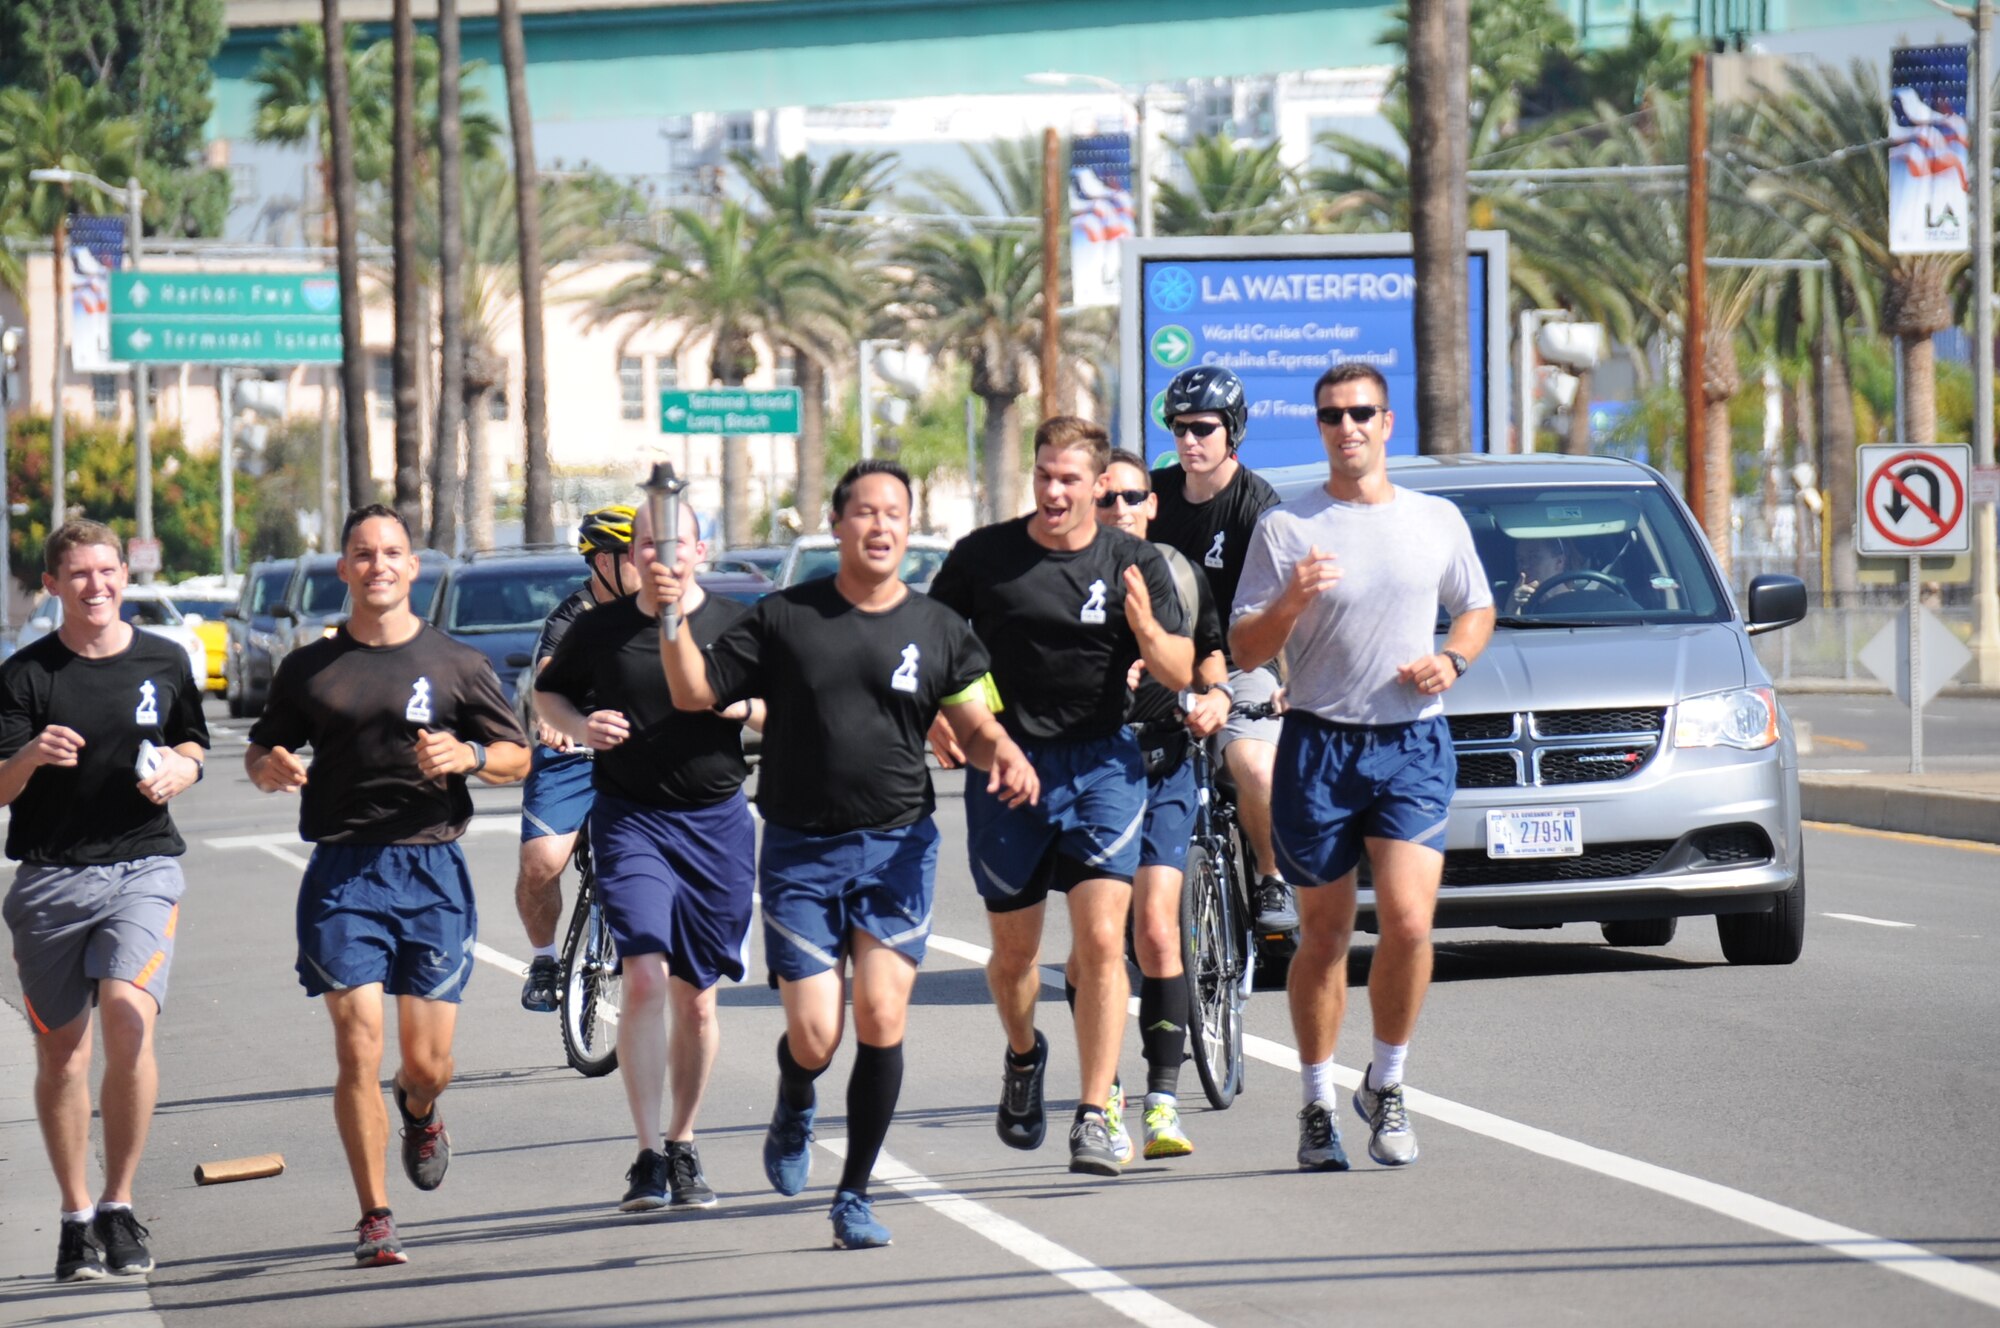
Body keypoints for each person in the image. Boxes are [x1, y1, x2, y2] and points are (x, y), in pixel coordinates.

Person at [655, 459, 1036, 1248]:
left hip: (898, 844)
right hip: (800, 850)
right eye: (865, 512)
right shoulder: (784, 617)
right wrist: (669, 622)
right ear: (838, 524)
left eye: (895, 512)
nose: (881, 525)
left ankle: (854, 1194)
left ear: (908, 525)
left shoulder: (938, 628)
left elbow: (974, 719)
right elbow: (695, 692)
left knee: (882, 1014)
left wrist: (1002, 750)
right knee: (817, 1035)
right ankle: (798, 1092)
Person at [245, 504, 529, 1266]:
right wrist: (267, 765)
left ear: (414, 567)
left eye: (392, 553)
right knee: (356, 1043)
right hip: (343, 871)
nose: (378, 566)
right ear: (344, 569)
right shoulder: (310, 666)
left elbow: (518, 756)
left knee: (428, 1062)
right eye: (363, 554)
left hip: (431, 868)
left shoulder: (457, 663)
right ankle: (375, 1216)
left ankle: (421, 1108)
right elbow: (264, 745)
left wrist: (468, 757)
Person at [1230, 363, 1494, 1173]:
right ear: (1319, 427)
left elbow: (1476, 606)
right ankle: (1316, 1102)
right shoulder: (1286, 528)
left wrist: (1452, 659)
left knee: (1412, 924)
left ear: (1388, 422)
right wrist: (1293, 600)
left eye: (1361, 413)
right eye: (1331, 416)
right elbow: (1245, 648)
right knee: (1326, 935)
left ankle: (1388, 1082)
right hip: (1319, 745)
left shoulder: (1435, 519)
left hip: (1411, 741)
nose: (1346, 427)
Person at [928, 417, 1193, 1178]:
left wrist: (1147, 628)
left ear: (1098, 485)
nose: (1053, 490)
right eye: (1044, 474)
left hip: (1104, 765)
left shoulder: (1134, 562)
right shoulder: (985, 557)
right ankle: (1022, 1054)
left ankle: (1094, 1113)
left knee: (1104, 941)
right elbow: (933, 646)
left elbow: (1179, 672)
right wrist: (951, 720)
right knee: (1015, 955)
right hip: (1008, 765)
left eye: (1069, 479)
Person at [535, 500, 758, 1214]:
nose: (662, 557)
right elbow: (548, 692)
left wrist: (740, 708)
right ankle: (644, 1157)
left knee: (696, 1003)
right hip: (630, 818)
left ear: (701, 549)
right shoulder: (599, 628)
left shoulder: (733, 624)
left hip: (716, 824)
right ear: (633, 556)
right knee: (641, 980)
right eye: (649, 545)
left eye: (677, 544)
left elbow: (780, 703)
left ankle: (683, 1142)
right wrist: (579, 724)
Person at [1, 520, 209, 1281]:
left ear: (125, 574)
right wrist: (30, 753)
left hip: (144, 868)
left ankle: (120, 1206)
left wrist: (183, 772)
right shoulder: (26, 675)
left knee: (128, 1021)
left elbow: (192, 742)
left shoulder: (163, 658)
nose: (98, 586)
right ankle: (75, 1216)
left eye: (108, 570)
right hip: (51, 881)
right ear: (53, 585)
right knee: (63, 1056)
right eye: (79, 574)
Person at [1094, 449, 1231, 1160]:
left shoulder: (1180, 573)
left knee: (1155, 931)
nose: (1119, 510)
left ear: (1153, 503)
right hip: (1090, 771)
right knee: (1098, 945)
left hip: (1166, 759)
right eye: (1105, 498)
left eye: (1131, 497)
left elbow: (1211, 654)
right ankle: (1103, 1097)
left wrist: (1214, 695)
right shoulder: (1067, 578)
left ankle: (1162, 1101)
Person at [1147, 365, 1295, 934]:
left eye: (1203, 428)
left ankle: (1271, 878)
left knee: (1256, 768)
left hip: (1243, 662)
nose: (1188, 441)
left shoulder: (1259, 504)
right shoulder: (1154, 498)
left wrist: (1289, 682)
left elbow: (1289, 606)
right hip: (1163, 665)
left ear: (1232, 430)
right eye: (1179, 428)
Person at [516, 505, 642, 1012]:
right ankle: (544, 959)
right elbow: (548, 679)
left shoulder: (664, 611)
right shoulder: (571, 618)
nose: (649, 563)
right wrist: (555, 721)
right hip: (575, 753)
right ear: (604, 563)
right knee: (542, 863)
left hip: (640, 754)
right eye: (636, 554)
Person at [1506, 536, 1575, 612]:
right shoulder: (1521, 607)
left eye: (1534, 557)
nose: (1525, 566)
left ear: (1559, 562)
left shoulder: (1582, 603)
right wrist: (1513, 607)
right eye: (1520, 560)